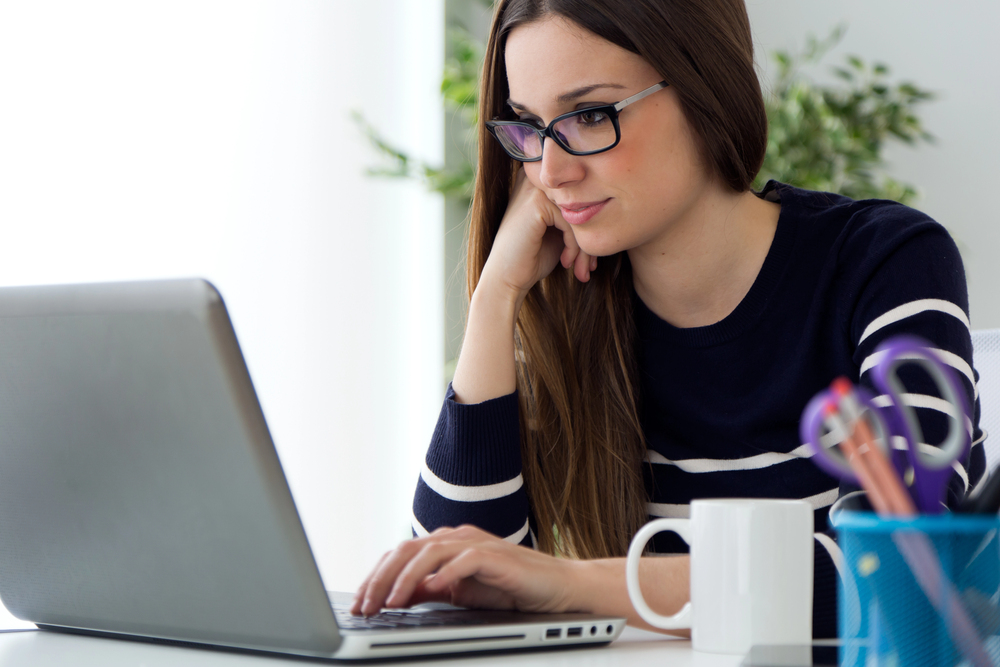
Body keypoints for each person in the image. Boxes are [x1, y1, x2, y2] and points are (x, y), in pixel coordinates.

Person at [351, 0, 986, 638]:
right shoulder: (570, 309)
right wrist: (495, 296)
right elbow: (450, 593)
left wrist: (576, 585)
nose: (551, 171)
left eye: (590, 115)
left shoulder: (887, 263)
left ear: (705, 87)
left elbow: (902, 576)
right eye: (529, 126)